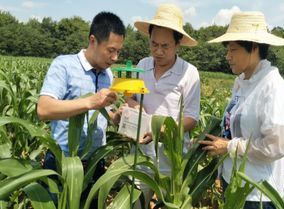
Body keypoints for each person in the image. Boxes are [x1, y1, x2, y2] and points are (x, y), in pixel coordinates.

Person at [200, 11, 284, 209]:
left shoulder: (273, 86)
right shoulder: (242, 82)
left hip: (257, 194)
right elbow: (233, 129)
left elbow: (275, 147)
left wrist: (229, 147)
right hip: (232, 183)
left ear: (254, 47)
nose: (228, 56)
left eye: (233, 49)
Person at [37, 11, 125, 205]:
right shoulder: (64, 65)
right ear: (93, 41)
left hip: (96, 162)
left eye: (118, 51)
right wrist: (90, 102)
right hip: (64, 163)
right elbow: (44, 109)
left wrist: (115, 117)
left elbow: (98, 112)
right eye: (110, 50)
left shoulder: (107, 75)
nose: (115, 57)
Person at [127, 4, 200, 208]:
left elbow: (191, 119)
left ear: (178, 44)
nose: (158, 51)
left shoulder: (189, 73)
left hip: (171, 161)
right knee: (135, 204)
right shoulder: (142, 65)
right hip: (140, 155)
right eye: (154, 44)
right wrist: (134, 108)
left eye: (165, 46)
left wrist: (158, 129)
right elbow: (129, 97)